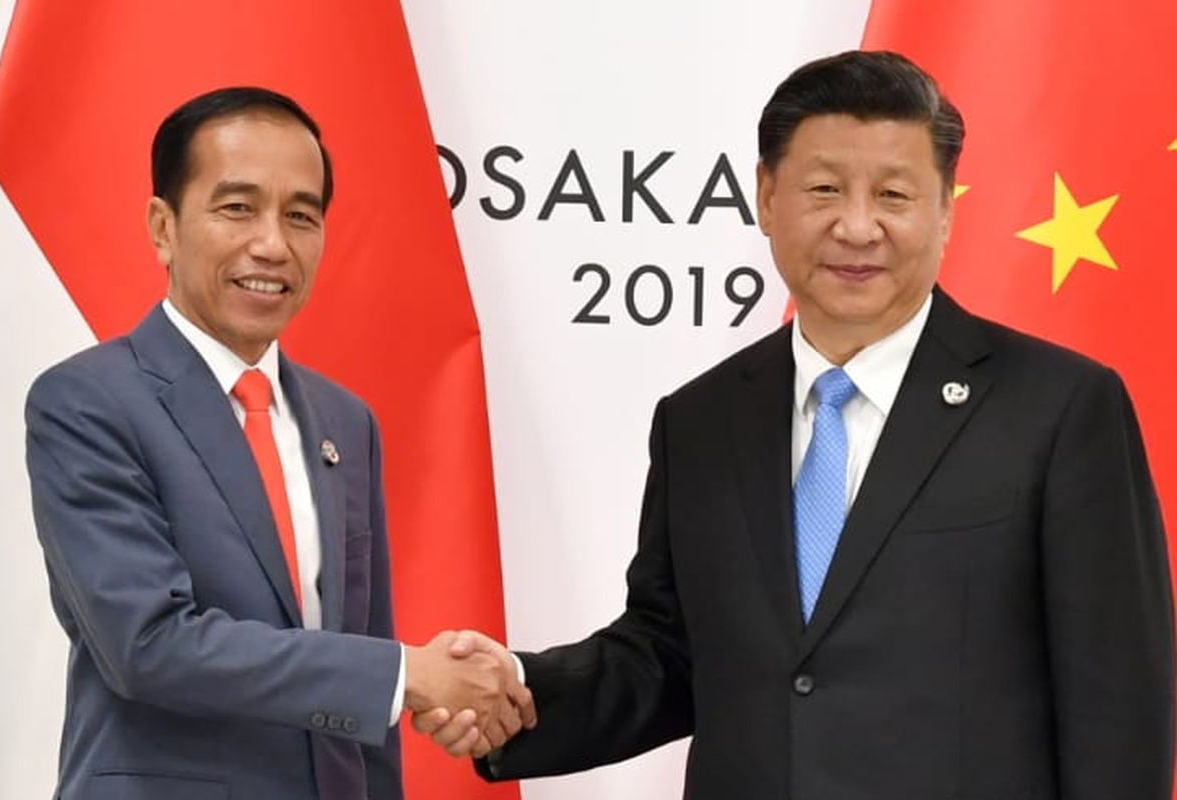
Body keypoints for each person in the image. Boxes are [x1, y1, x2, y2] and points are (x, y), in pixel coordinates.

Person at [416, 50, 1175, 798]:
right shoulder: (701, 420)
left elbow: (1118, 705)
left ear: (945, 210)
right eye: (823, 189)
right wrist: (513, 691)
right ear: (766, 197)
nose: (856, 226)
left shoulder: (1061, 408)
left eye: (893, 195)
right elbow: (671, 654)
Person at [25, 86, 533, 800]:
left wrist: (402, 688)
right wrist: (406, 674)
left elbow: (364, 678)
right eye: (237, 207)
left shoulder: (344, 421)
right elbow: (148, 646)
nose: (272, 243)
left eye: (301, 215)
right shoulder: (87, 402)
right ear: (163, 227)